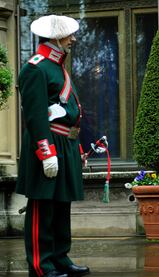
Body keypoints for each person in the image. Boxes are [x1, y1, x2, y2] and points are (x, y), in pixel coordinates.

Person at [16, 15, 90, 277]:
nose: (73, 39)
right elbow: (35, 116)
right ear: (57, 37)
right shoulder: (36, 68)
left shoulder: (58, 67)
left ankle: (60, 257)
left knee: (61, 205)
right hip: (47, 144)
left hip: (65, 142)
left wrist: (77, 148)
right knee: (43, 207)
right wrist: (46, 152)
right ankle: (41, 263)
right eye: (69, 35)